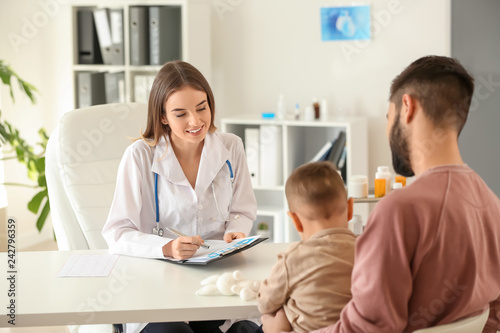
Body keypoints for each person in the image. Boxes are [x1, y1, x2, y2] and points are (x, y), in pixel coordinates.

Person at [262, 55, 500, 333]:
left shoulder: (397, 211)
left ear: (407, 107)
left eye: (389, 117)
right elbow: (491, 317)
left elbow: (367, 330)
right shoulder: (491, 204)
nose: (389, 130)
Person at [102, 60, 258, 333]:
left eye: (201, 108)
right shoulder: (139, 156)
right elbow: (117, 232)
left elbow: (242, 211)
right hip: (157, 285)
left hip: (215, 279)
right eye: (180, 113)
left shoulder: (231, 147)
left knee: (245, 329)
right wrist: (166, 248)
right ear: (162, 116)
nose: (195, 121)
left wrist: (236, 231)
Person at [257, 162, 356, 332]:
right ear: (350, 209)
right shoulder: (367, 251)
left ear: (295, 220)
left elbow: (265, 303)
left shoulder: (293, 259)